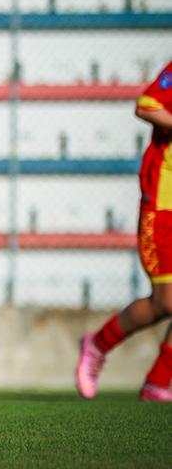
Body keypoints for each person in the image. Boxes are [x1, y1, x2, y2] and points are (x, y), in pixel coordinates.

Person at [76, 60, 172, 403]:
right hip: (163, 203)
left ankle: (158, 384)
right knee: (167, 301)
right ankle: (98, 344)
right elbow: (147, 105)